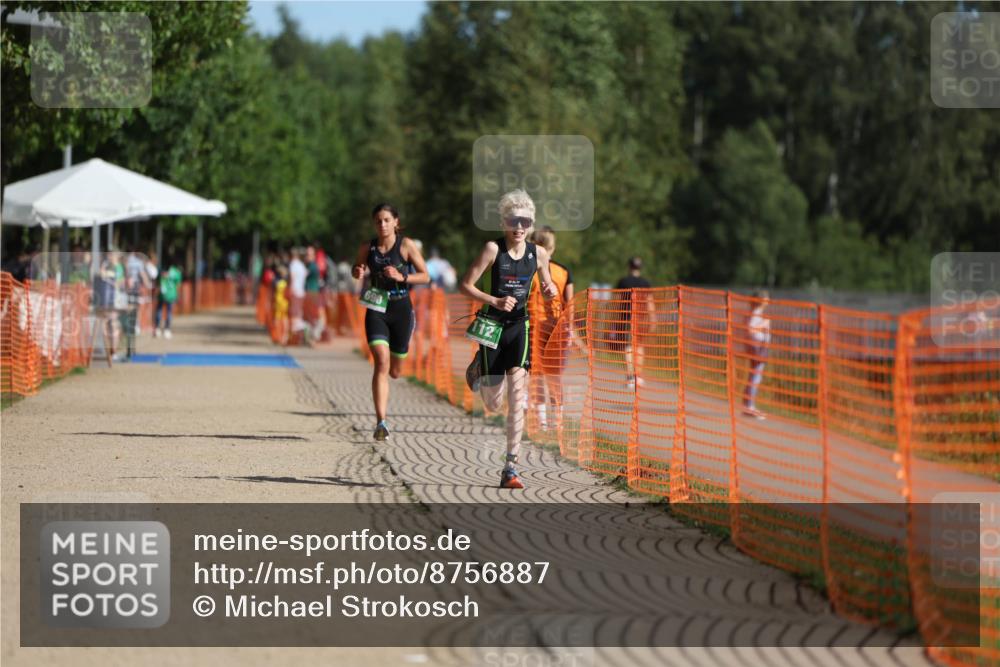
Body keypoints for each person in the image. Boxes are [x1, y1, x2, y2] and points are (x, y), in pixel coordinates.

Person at [460, 189, 558, 490]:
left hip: (519, 328)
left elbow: (546, 280)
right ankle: (479, 365)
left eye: (526, 221)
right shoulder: (493, 249)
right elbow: (465, 285)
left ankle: (511, 466)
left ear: (531, 224)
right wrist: (495, 300)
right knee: (493, 402)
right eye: (514, 220)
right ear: (504, 221)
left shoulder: (537, 253)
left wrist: (549, 289)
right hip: (492, 327)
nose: (519, 227)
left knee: (518, 397)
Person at [353, 203, 430, 441]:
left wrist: (402, 276)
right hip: (377, 307)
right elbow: (357, 267)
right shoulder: (368, 247)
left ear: (396, 221)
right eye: (378, 221)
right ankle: (381, 422)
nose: (382, 225)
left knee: (395, 371)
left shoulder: (406, 246)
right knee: (381, 362)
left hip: (401, 309)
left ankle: (395, 368)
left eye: (387, 220)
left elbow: (426, 276)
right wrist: (357, 271)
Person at [527, 226, 574, 432]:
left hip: (533, 327)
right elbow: (569, 303)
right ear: (552, 247)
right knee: (554, 374)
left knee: (536, 374)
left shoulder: (528, 269)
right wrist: (570, 329)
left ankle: (542, 420)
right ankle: (559, 419)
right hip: (556, 329)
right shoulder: (563, 271)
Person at [614, 256, 653, 388]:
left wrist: (614, 320)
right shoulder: (645, 283)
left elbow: (618, 302)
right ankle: (638, 376)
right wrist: (652, 319)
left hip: (626, 318)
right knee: (640, 346)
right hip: (641, 318)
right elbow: (650, 303)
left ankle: (630, 377)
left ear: (629, 266)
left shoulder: (623, 282)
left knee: (628, 347)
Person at [742, 289, 771, 420]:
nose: (768, 301)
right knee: (755, 376)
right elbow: (750, 329)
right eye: (766, 299)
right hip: (757, 345)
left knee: (754, 375)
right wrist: (764, 324)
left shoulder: (754, 312)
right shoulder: (755, 313)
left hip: (757, 344)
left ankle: (748, 405)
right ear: (761, 300)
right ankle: (750, 406)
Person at [154, 259, 183, 339]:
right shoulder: (176, 272)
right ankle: (164, 329)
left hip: (166, 295)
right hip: (169, 295)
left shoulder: (161, 270)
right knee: (167, 312)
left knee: (162, 312)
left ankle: (160, 329)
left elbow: (157, 283)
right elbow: (178, 284)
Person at [288, 248, 307, 339]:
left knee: (294, 312)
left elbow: (292, 277)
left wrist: (290, 288)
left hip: (295, 291)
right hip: (301, 292)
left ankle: (294, 333)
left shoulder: (293, 264)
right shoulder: (302, 265)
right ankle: (300, 331)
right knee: (299, 312)